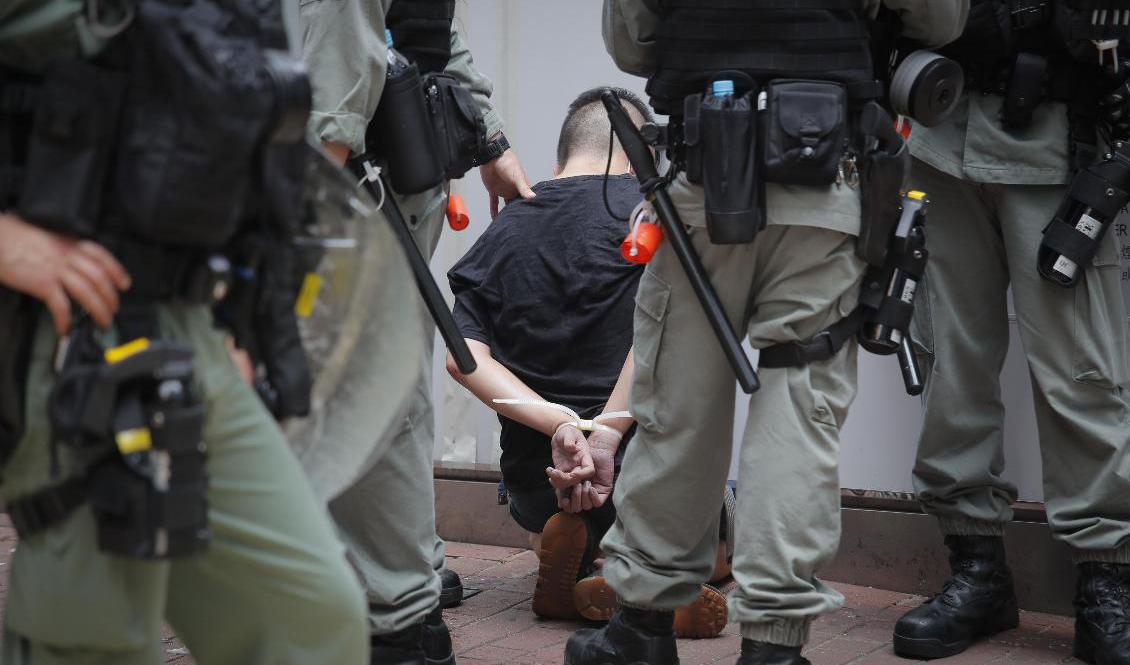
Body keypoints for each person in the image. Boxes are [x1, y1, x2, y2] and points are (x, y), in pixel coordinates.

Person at [563, 3, 966, 665]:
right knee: (798, 408)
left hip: (703, 181)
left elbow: (632, 43)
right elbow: (939, 21)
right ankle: (773, 645)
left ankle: (642, 626)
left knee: (678, 405)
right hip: (826, 178)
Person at [0, 0, 371, 662]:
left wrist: (239, 317)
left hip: (192, 327)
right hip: (67, 332)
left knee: (312, 619)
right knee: (97, 638)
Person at [446, 86, 735, 637]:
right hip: (641, 475)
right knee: (723, 535)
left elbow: (463, 361)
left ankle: (565, 556)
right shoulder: (654, 218)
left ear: (560, 158)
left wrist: (562, 425)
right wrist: (605, 432)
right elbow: (669, 334)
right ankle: (657, 572)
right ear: (640, 158)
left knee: (550, 519)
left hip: (543, 482)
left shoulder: (507, 226)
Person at [888, 5, 1130, 662]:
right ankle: (978, 571)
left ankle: (1107, 581)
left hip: (1057, 141)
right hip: (940, 129)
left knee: (1079, 370)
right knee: (950, 362)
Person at [299, 1, 535, 663]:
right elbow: (431, 23)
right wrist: (491, 139)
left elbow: (341, 58)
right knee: (387, 376)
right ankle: (409, 577)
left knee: (360, 384)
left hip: (350, 172)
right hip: (394, 161)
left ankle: (398, 615)